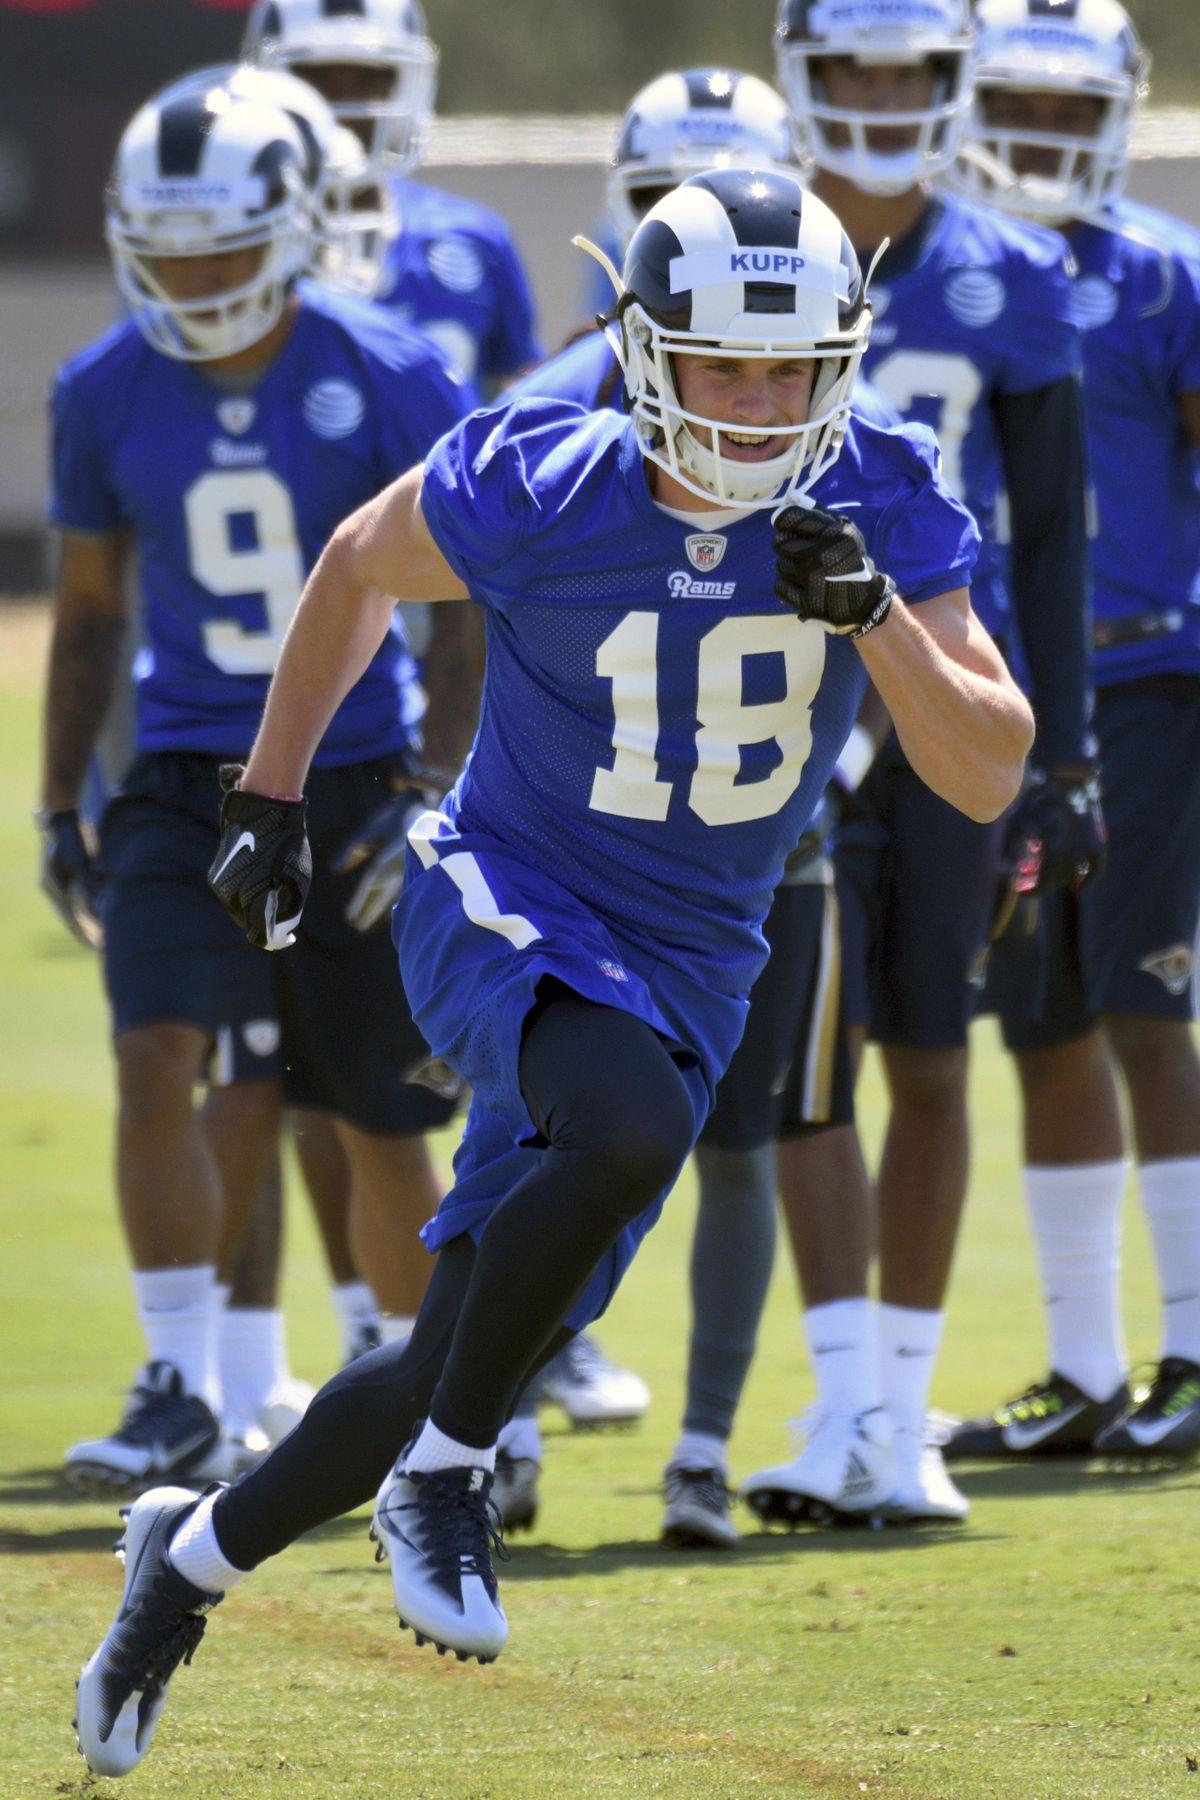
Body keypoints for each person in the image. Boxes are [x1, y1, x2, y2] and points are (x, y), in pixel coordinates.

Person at [74, 166, 1032, 1776]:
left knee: (452, 1346)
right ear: (648, 351)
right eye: (722, 361)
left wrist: (875, 617)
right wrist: (271, 793)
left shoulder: (878, 485)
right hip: (502, 893)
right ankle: (447, 1479)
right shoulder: (545, 476)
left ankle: (186, 1563)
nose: (758, 398)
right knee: (628, 1140)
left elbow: (988, 769)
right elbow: (360, 568)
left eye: (790, 365)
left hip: (692, 968)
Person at [40, 82, 477, 1497]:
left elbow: (471, 604)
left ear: (291, 232)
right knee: (163, 1052)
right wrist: (61, 803)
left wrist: (436, 784)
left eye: (224, 251)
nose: (195, 282)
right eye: (168, 255)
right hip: (182, 775)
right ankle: (180, 1381)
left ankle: (435, 1409)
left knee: (380, 1108)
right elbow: (92, 609)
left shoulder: (392, 367)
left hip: (356, 773)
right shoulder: (102, 387)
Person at [739, 0, 1097, 1526]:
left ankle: (908, 1409)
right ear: (804, 78)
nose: (882, 94)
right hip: (775, 706)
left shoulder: (1011, 271)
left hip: (945, 688)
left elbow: (1057, 532)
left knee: (936, 1058)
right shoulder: (753, 229)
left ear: (952, 80)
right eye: (857, 68)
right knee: (810, 1071)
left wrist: (1065, 759)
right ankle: (844, 1404)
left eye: (908, 68)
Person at [496, 64, 803, 1544]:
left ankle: (702, 1447)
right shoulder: (558, 409)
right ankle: (497, 1424)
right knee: (539, 1130)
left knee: (739, 1137)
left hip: (765, 827)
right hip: (577, 846)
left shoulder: (830, 399)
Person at [938, 0, 1200, 1460]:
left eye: (1064, 108)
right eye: (1016, 105)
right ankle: (1089, 1368)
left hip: (1148, 674)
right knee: (1039, 1025)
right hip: (999, 690)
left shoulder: (1164, 275)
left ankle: (1196, 1352)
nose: (1038, 134)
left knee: (1147, 1010)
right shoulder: (955, 274)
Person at [242, 0, 542, 394]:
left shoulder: (474, 238)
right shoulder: (224, 247)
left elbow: (524, 414)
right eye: (316, 81)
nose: (346, 110)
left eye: (372, 81)